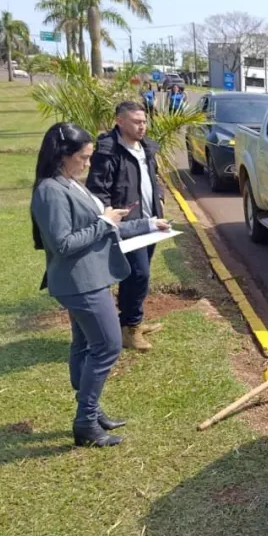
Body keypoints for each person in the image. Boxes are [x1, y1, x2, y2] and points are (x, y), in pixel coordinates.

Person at [30, 123, 170, 447]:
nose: (88, 164)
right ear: (63, 156)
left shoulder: (71, 183)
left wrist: (146, 223)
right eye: (83, 157)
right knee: (107, 346)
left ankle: (89, 411)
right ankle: (86, 423)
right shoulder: (50, 191)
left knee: (84, 346)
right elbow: (62, 243)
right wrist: (105, 222)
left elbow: (104, 225)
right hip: (79, 283)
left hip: (90, 277)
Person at [86, 101, 164, 351]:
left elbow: (153, 177)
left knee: (138, 275)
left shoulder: (145, 148)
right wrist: (109, 219)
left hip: (150, 221)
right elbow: (98, 189)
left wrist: (159, 194)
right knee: (138, 274)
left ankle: (132, 321)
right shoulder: (109, 150)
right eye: (136, 122)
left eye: (144, 121)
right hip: (126, 226)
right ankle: (131, 328)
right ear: (119, 121)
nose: (142, 126)